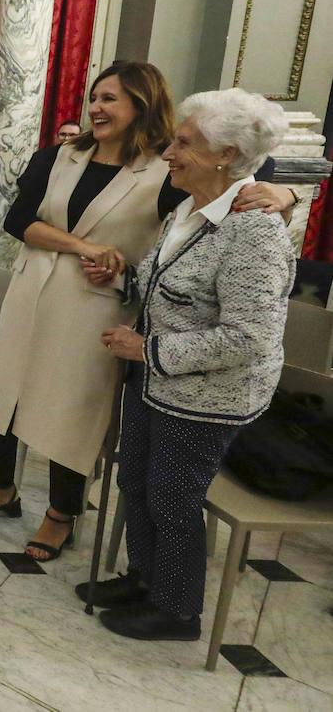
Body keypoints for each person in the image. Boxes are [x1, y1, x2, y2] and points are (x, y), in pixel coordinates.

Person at [0, 63, 299, 561]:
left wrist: (288, 193)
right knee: (4, 394)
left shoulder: (165, 164)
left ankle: (61, 514)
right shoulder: (62, 155)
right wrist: (80, 245)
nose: (96, 108)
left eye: (110, 99)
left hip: (99, 306)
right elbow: (19, 220)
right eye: (94, 97)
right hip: (33, 291)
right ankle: (1, 488)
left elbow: (242, 171)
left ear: (141, 106)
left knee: (72, 412)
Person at [81, 89, 293, 641]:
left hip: (208, 395)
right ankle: (145, 579)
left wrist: (146, 350)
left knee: (173, 498)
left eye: (183, 142)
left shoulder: (254, 232)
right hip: (158, 382)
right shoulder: (189, 208)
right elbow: (174, 292)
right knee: (135, 481)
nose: (168, 151)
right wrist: (126, 279)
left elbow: (249, 336)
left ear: (225, 154)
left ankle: (177, 612)